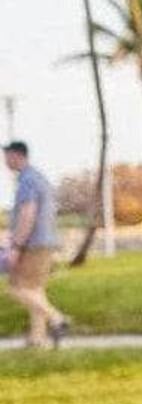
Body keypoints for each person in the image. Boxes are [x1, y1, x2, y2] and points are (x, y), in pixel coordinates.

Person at [4, 140, 71, 350]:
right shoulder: (39, 177)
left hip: (33, 244)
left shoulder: (27, 180)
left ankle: (57, 318)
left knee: (16, 288)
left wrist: (16, 246)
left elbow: (28, 213)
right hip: (46, 241)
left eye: (6, 156)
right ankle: (37, 339)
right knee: (35, 290)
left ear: (16, 155)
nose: (4, 161)